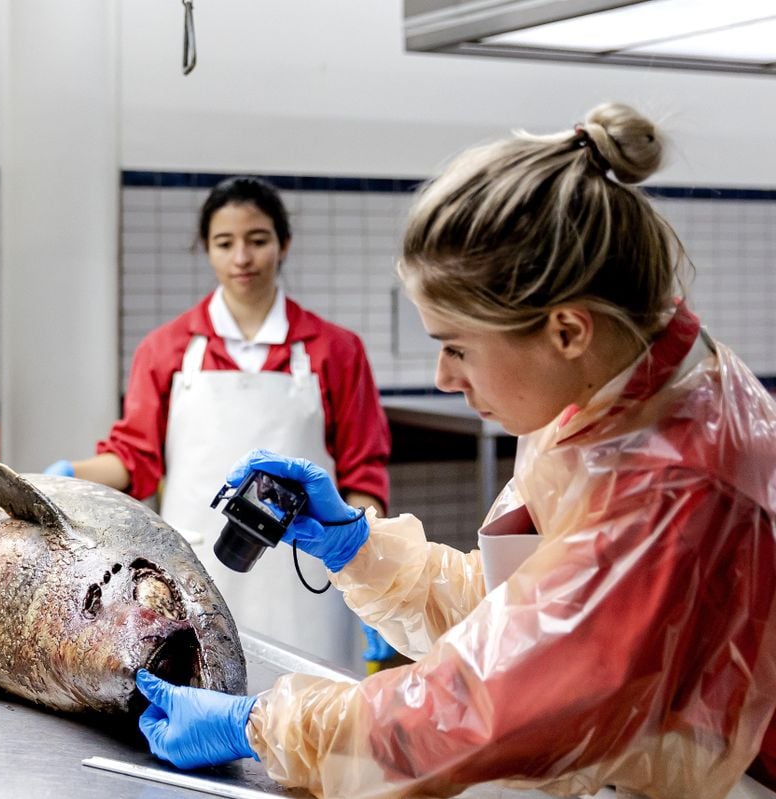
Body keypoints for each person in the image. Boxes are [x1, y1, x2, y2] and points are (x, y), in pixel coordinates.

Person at [132, 103, 776, 798]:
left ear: (566, 330)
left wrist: (261, 724)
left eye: (458, 347)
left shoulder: (669, 478)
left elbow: (492, 706)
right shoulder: (613, 394)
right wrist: (363, 551)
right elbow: (530, 610)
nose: (443, 377)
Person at [45, 175, 392, 669]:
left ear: (283, 244)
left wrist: (373, 571)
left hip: (306, 585)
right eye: (225, 243)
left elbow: (363, 474)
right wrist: (69, 476)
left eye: (257, 240)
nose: (242, 259)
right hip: (196, 577)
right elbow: (134, 460)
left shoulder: (335, 350)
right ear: (206, 249)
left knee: (316, 724)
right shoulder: (166, 349)